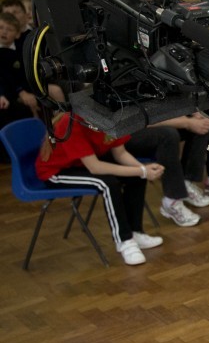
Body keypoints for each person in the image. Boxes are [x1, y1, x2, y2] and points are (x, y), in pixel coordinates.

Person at [36, 113, 164, 266]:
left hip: (81, 164)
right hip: (56, 172)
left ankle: (135, 232)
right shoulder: (71, 122)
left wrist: (142, 169)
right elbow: (95, 167)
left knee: (135, 177)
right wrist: (142, 171)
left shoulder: (111, 118)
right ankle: (124, 241)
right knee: (108, 183)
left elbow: (120, 153)